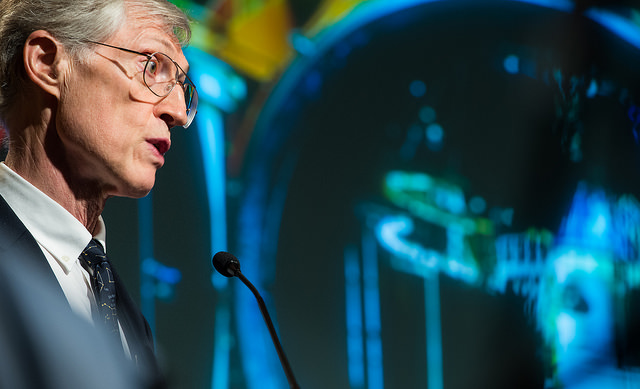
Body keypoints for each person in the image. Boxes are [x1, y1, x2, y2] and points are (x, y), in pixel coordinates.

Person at [0, 0, 197, 387]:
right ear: (46, 63)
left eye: (182, 86)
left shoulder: (123, 309)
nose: (175, 110)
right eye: (151, 66)